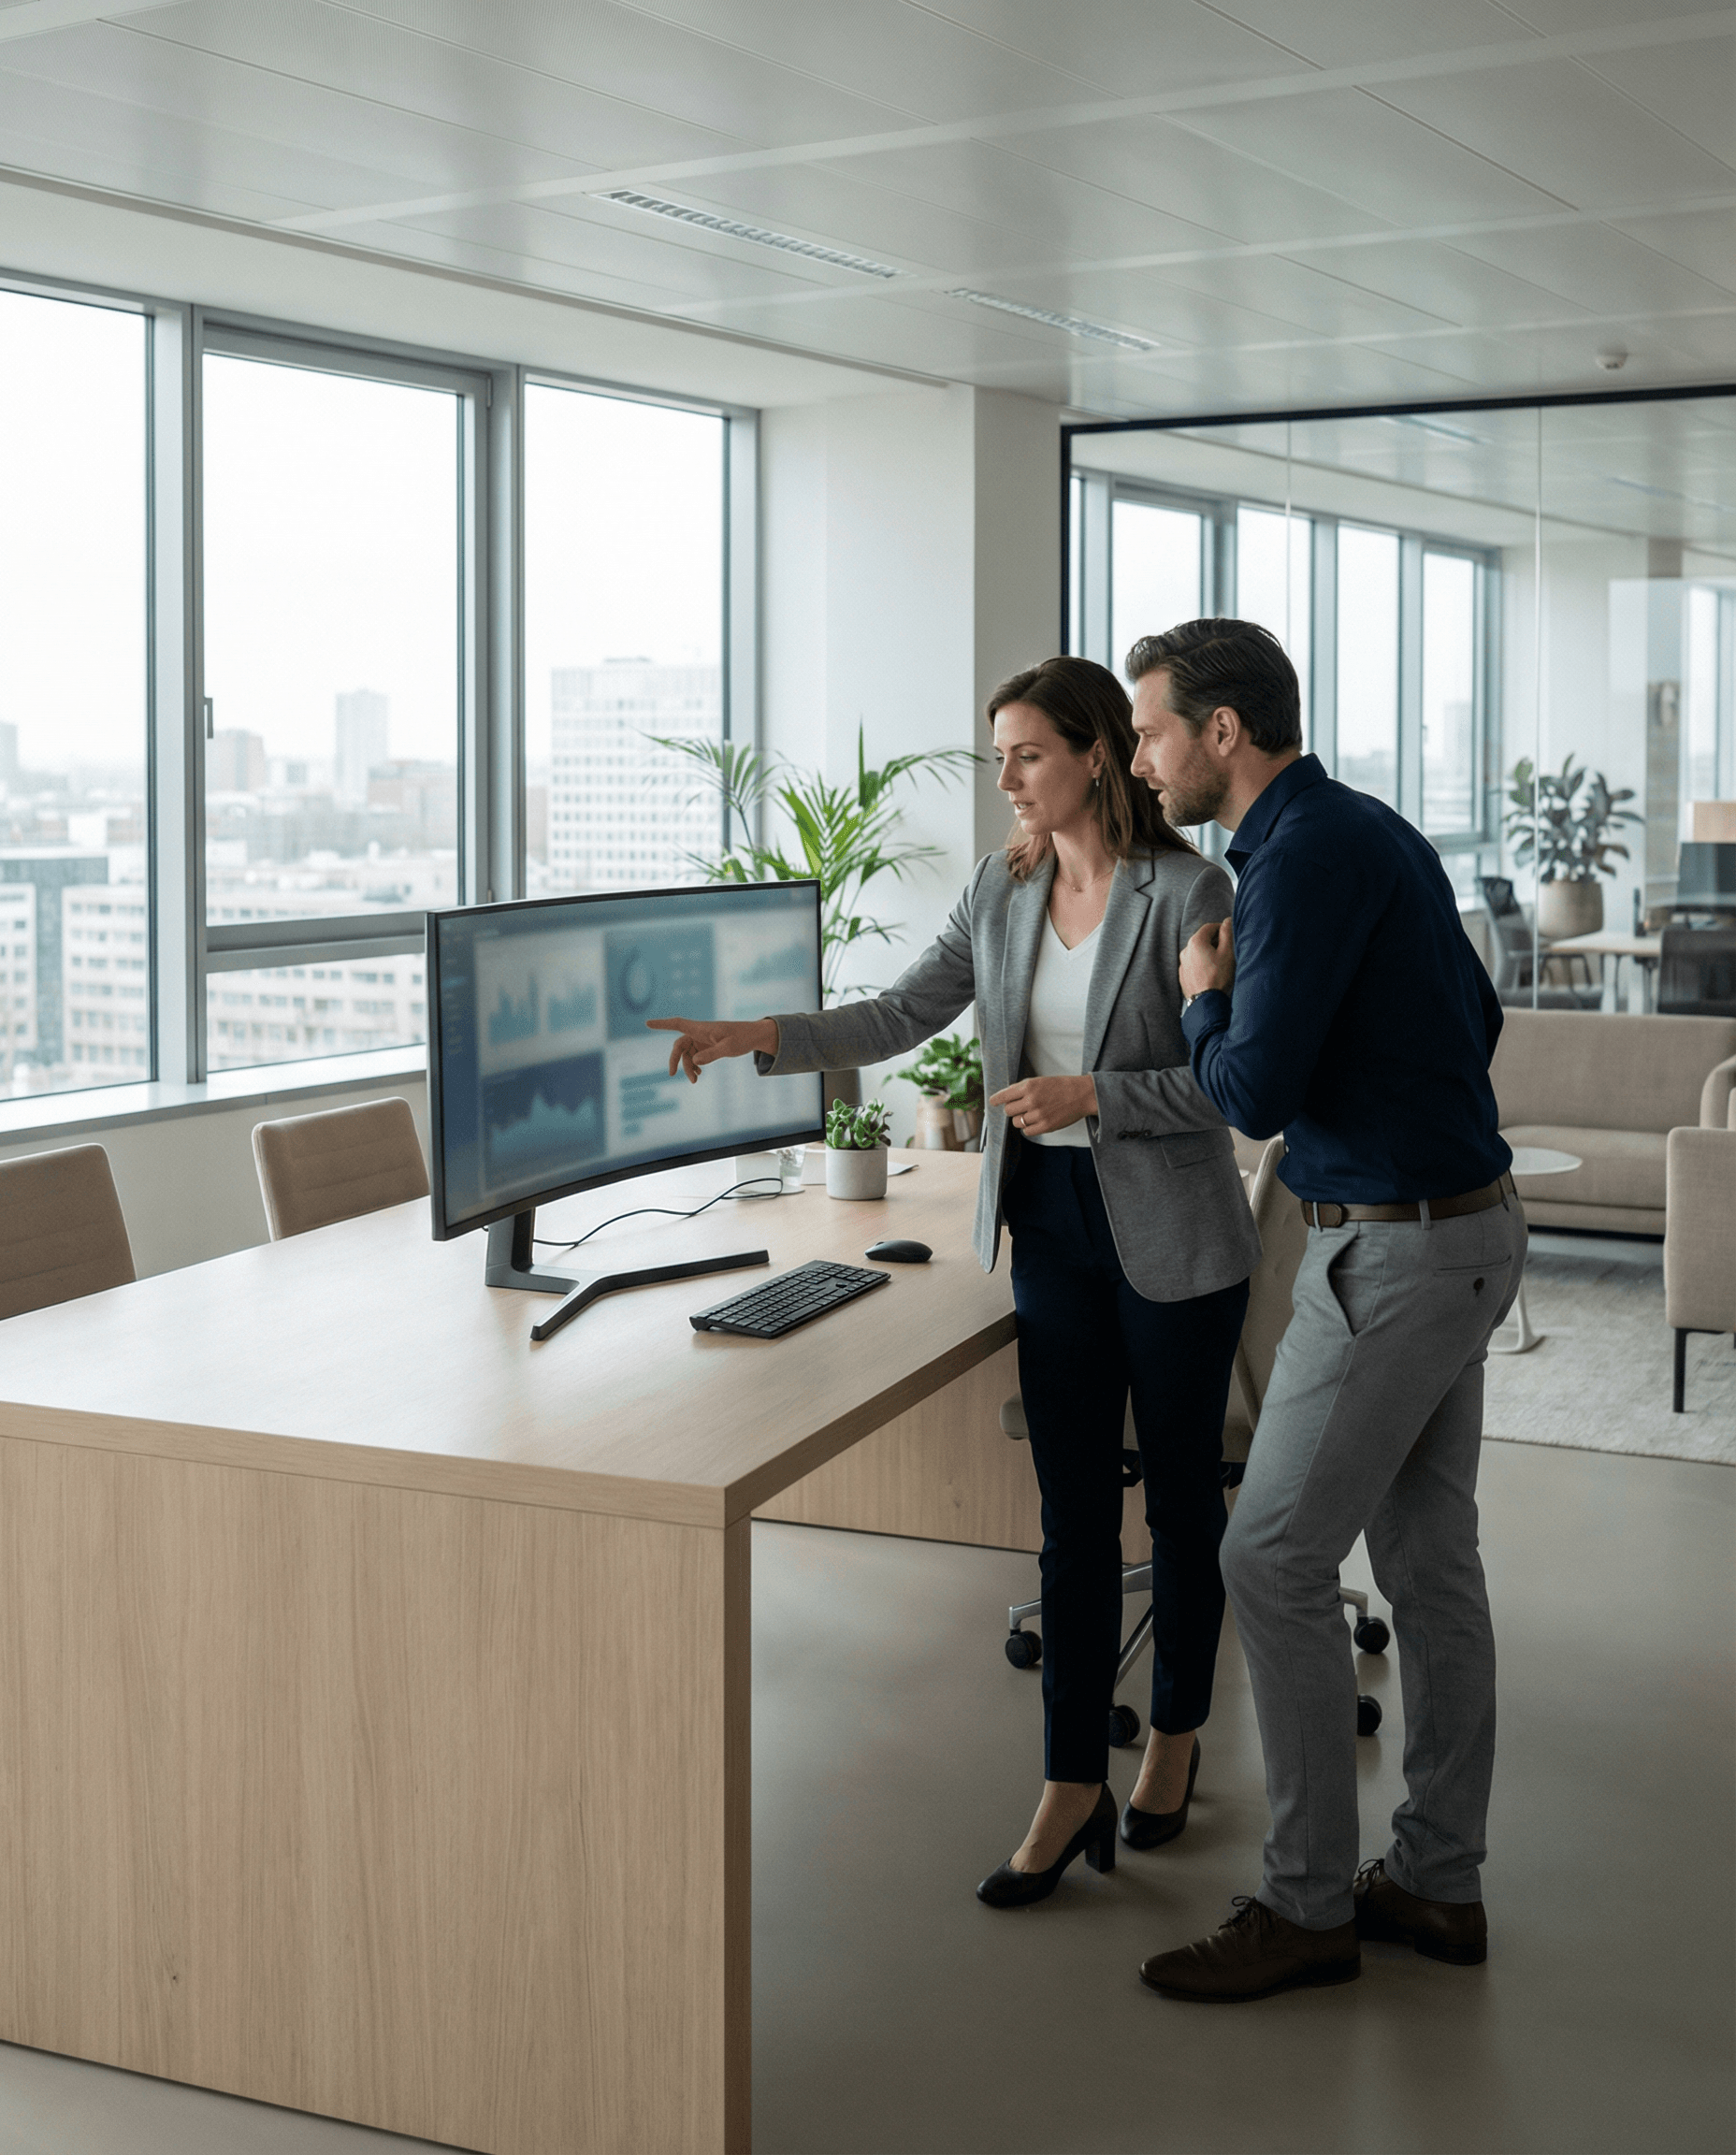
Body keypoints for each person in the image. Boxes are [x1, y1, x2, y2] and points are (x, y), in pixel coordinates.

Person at [650, 655, 1261, 1906]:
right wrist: (762, 1037)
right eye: (1000, 758)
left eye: (1027, 754)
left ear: (1098, 753)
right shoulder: (1003, 886)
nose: (1008, 780)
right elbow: (898, 1015)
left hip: (1172, 1234)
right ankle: (1069, 1781)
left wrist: (1096, 1096)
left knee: (1187, 1503)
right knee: (1075, 1516)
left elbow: (1228, 1087)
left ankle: (1180, 1734)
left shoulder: (1193, 887)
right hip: (1050, 1222)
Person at [1122, 617, 1522, 2004]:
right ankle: (1437, 1881)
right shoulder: (1375, 828)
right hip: (1468, 1229)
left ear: (1222, 734)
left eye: (1152, 730)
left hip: (1394, 1257)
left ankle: (1305, 1907)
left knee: (1269, 1560)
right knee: (1426, 1564)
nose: (1139, 756)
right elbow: (1475, 1017)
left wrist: (1204, 998)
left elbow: (1251, 1100)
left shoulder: (1288, 864)